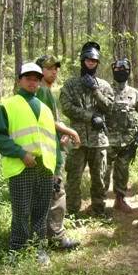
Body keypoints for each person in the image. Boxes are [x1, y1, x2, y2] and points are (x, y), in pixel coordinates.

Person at [0, 62, 58, 264]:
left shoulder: (46, 109)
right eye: (28, 78)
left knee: (41, 210)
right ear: (19, 80)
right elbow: (1, 137)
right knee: (21, 211)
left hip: (45, 167)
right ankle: (17, 250)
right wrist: (21, 153)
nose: (32, 82)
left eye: (36, 79)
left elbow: (51, 139)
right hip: (22, 166)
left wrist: (55, 166)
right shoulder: (8, 105)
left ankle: (39, 249)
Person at [59, 42, 114, 218]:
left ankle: (98, 210)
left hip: (98, 140)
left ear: (97, 63)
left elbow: (109, 107)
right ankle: (72, 212)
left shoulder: (104, 85)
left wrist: (95, 90)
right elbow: (66, 107)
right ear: (82, 60)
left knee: (99, 177)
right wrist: (90, 116)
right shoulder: (71, 84)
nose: (91, 63)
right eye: (88, 60)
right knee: (74, 177)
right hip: (77, 139)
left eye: (94, 61)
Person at [35, 55, 80, 249]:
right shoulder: (42, 91)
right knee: (56, 193)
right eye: (49, 68)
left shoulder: (46, 91)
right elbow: (47, 121)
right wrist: (69, 131)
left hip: (51, 149)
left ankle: (45, 235)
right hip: (48, 154)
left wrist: (61, 134)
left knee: (50, 193)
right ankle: (57, 237)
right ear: (40, 71)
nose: (54, 71)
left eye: (56, 68)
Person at [104, 58, 138, 212]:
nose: (120, 72)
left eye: (124, 70)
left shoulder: (134, 94)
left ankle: (120, 199)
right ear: (113, 71)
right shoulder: (105, 90)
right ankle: (99, 202)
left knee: (122, 171)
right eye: (117, 69)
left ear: (129, 72)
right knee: (102, 172)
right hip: (107, 140)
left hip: (127, 142)